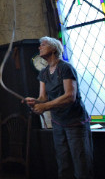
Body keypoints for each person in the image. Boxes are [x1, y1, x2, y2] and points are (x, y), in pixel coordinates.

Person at [24, 36, 93, 179]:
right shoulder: (43, 73)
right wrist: (35, 101)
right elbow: (43, 98)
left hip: (75, 122)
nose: (39, 47)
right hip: (58, 123)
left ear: (54, 48)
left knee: (81, 163)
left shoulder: (65, 68)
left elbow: (70, 96)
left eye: (43, 45)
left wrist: (44, 106)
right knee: (63, 163)